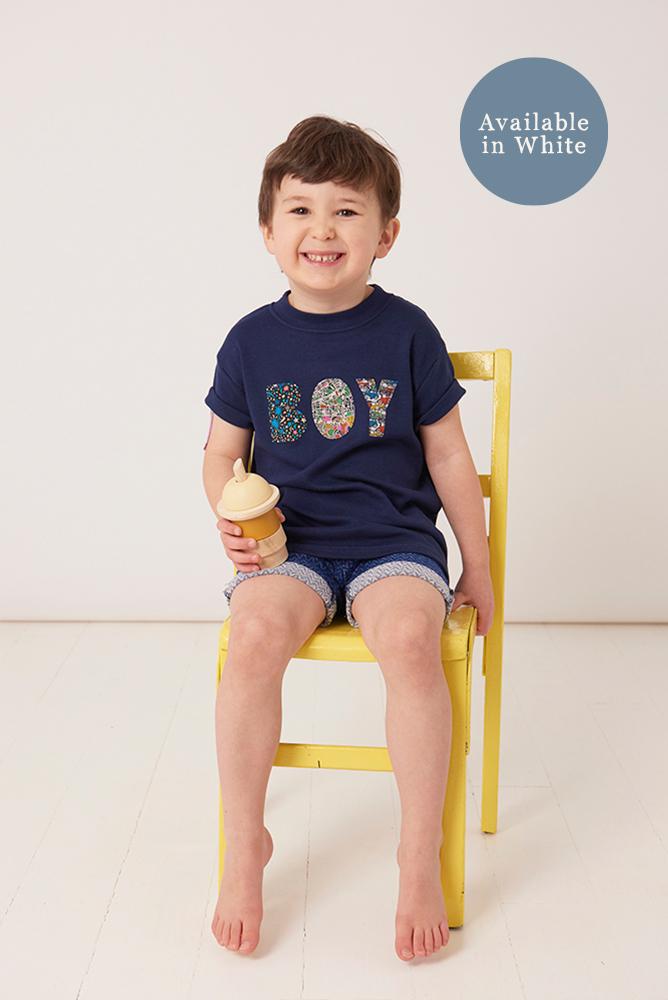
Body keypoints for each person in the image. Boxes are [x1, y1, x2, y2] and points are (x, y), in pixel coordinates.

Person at [202, 115, 494, 962]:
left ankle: (417, 853)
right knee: (254, 635)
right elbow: (221, 454)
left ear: (385, 235)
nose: (322, 229)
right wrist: (231, 514)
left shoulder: (407, 332)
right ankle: (246, 843)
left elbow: (449, 454)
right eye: (300, 210)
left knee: (407, 639)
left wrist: (477, 566)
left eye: (346, 211)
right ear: (268, 231)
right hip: (289, 550)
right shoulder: (250, 341)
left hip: (392, 545)